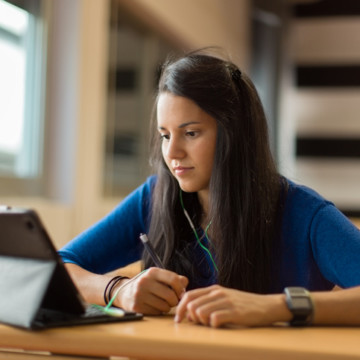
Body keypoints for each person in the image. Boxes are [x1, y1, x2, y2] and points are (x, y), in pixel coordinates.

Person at [59, 48, 360, 328]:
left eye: (190, 133)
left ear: (235, 136)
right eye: (165, 135)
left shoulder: (303, 213)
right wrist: (118, 289)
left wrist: (274, 306)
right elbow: (56, 267)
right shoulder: (155, 197)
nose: (172, 152)